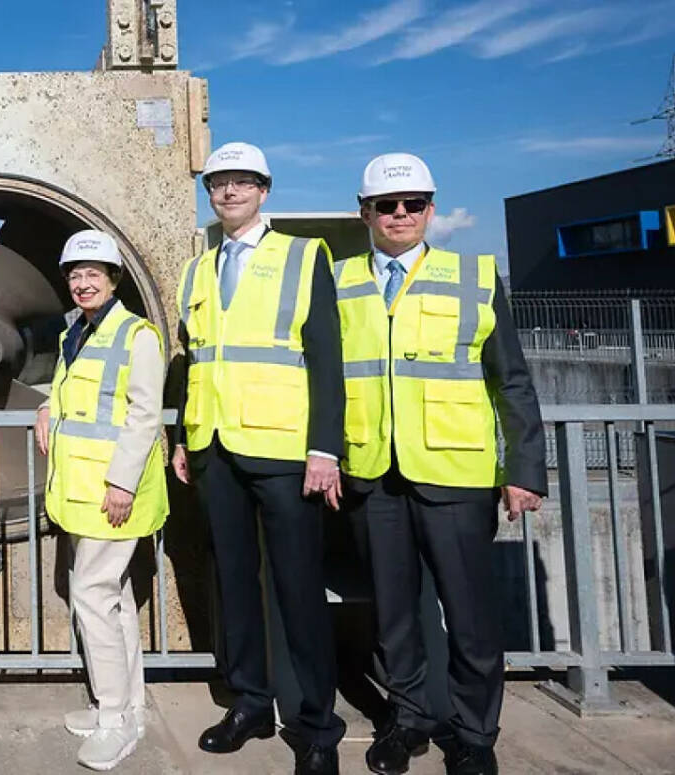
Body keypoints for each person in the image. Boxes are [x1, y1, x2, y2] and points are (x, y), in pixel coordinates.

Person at [336, 153, 546, 775]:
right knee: (395, 615)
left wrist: (524, 468)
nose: (401, 215)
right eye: (387, 206)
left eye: (415, 204)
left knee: (472, 617)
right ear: (364, 212)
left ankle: (476, 735)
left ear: (431, 208)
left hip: (456, 475)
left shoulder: (474, 275)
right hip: (374, 474)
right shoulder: (340, 279)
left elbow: (511, 380)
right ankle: (410, 721)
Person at [170, 142, 346, 775]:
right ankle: (250, 702)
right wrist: (188, 439)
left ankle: (316, 728)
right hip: (217, 451)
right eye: (218, 184)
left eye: (242, 183)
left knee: (298, 590)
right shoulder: (199, 270)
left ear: (264, 191)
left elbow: (326, 357)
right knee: (234, 585)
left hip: (284, 452)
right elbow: (196, 363)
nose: (229, 193)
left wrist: (325, 447)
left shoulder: (303, 256)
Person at [34, 230, 168, 771]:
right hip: (84, 489)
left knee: (91, 595)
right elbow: (76, 394)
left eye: (94, 274)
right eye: (75, 275)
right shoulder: (79, 333)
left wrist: (122, 483)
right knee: (114, 599)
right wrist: (46, 406)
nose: (83, 283)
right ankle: (129, 706)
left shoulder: (136, 336)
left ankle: (115, 720)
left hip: (114, 492)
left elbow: (143, 414)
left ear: (114, 280)